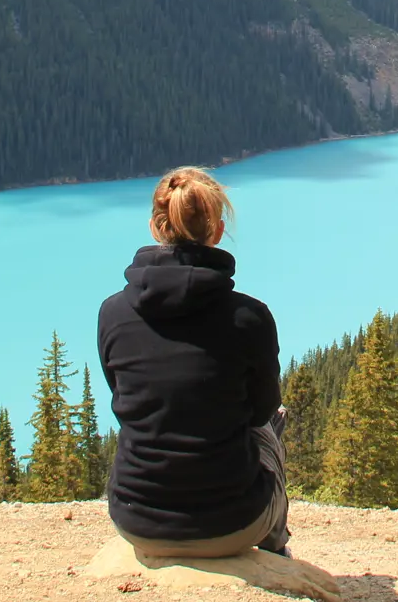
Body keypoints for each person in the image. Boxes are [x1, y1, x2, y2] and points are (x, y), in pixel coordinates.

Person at [97, 167, 290, 559]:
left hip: (136, 523)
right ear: (217, 232)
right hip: (234, 525)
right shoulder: (249, 317)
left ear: (155, 226)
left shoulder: (112, 313)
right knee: (271, 424)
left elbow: (122, 397)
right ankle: (273, 546)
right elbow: (262, 410)